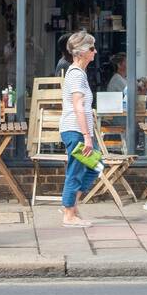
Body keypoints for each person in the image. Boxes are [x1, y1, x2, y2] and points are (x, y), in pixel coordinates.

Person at [59, 31, 99, 228]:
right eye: (92, 48)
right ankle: (68, 214)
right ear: (82, 52)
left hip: (79, 131)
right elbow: (77, 106)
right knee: (76, 170)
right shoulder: (75, 75)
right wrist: (86, 136)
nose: (95, 51)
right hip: (75, 131)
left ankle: (71, 206)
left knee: (95, 166)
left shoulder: (79, 74)